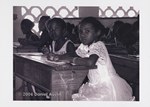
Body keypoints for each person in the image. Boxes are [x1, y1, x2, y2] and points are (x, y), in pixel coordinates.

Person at [59, 17, 134, 101]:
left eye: (87, 31)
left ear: (97, 33)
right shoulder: (84, 46)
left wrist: (71, 60)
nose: (82, 34)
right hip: (93, 85)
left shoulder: (98, 45)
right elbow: (73, 53)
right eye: (80, 31)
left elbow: (90, 62)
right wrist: (58, 57)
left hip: (106, 86)